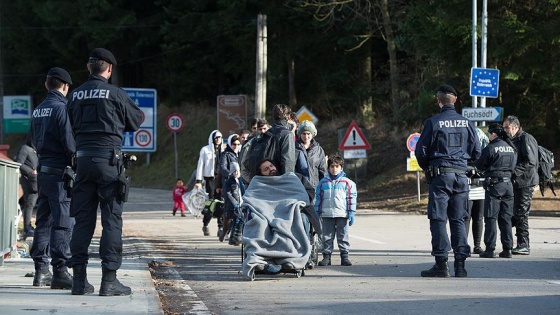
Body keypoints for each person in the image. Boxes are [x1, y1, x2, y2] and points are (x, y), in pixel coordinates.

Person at [66, 48, 143, 296]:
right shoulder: (116, 94)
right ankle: (109, 281)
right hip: (109, 163)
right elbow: (136, 120)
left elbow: (68, 127)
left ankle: (79, 282)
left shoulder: (75, 95)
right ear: (109, 69)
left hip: (82, 163)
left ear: (89, 68)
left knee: (82, 221)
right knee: (111, 221)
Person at [415, 84, 481, 278]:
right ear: (455, 100)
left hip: (440, 176)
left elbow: (420, 151)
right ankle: (460, 265)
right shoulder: (467, 123)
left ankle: (441, 264)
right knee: (459, 219)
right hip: (461, 176)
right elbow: (477, 151)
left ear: (439, 101)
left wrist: (427, 167)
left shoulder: (433, 122)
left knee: (438, 218)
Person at [28, 67, 76, 289]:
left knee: (43, 222)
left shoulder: (38, 109)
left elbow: (33, 141)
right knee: (62, 222)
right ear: (64, 86)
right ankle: (61, 271)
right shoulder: (62, 108)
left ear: (47, 85)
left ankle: (41, 271)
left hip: (43, 171)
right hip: (59, 172)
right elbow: (69, 143)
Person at [474, 123, 517, 258]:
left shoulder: (491, 147)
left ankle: (490, 249)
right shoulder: (511, 148)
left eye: (489, 134)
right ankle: (507, 249)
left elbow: (479, 165)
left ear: (493, 134)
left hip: (494, 186)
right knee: (506, 218)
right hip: (508, 186)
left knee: (491, 217)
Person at [503, 115, 539, 255]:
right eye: (504, 127)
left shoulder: (526, 138)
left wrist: (513, 172)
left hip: (526, 182)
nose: (505, 130)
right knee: (513, 213)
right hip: (517, 182)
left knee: (521, 213)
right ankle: (513, 242)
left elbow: (530, 161)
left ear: (515, 127)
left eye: (507, 127)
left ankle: (524, 244)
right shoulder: (511, 140)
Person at [315, 153, 357, 267]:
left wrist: (351, 212)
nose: (334, 169)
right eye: (332, 166)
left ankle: (344, 256)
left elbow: (351, 197)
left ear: (341, 168)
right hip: (327, 214)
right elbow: (319, 197)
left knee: (342, 236)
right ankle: (326, 257)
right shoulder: (323, 182)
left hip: (341, 214)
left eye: (337, 166)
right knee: (326, 236)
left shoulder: (347, 183)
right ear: (328, 168)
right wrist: (317, 211)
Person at [195, 130, 225, 236]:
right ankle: (206, 224)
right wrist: (198, 181)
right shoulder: (205, 150)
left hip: (220, 179)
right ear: (212, 138)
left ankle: (220, 227)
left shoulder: (224, 149)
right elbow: (200, 165)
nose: (218, 140)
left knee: (221, 202)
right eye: (216, 137)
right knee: (211, 203)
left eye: (220, 137)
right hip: (209, 180)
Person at [466, 127, 489, 254]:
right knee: (467, 218)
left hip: (480, 189)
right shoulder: (465, 153)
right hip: (469, 188)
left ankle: (477, 245)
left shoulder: (486, 153)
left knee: (477, 218)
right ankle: (464, 245)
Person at [14, 142, 39, 236]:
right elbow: (19, 163)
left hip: (36, 181)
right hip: (28, 181)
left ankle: (31, 226)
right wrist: (31, 172)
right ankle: (27, 227)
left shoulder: (35, 150)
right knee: (29, 204)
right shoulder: (25, 148)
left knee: (33, 204)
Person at [295, 120, 327, 192]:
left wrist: (324, 187)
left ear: (312, 134)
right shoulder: (294, 148)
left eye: (308, 133)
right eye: (304, 133)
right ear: (300, 134)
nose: (306, 136)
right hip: (299, 188)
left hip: (315, 188)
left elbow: (322, 170)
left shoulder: (318, 150)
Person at [267, 104, 296, 175]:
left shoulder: (267, 133)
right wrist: (288, 181)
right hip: (280, 178)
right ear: (288, 117)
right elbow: (288, 161)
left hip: (266, 176)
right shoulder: (287, 134)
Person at [221, 162, 245, 244]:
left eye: (237, 171)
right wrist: (234, 203)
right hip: (232, 205)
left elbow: (243, 191)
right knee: (238, 219)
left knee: (239, 220)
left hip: (241, 204)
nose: (236, 173)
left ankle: (235, 237)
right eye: (234, 171)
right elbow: (228, 194)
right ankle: (234, 237)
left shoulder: (240, 181)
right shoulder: (228, 182)